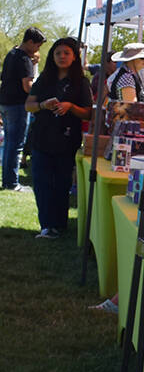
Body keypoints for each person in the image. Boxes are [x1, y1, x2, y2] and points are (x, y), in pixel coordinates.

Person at [24, 37, 93, 238]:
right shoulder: (43, 79)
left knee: (62, 184)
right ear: (52, 56)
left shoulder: (81, 82)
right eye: (57, 53)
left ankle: (59, 224)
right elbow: (28, 105)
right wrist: (43, 105)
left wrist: (70, 107)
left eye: (66, 53)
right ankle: (47, 225)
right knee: (42, 182)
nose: (61, 57)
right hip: (42, 137)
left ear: (74, 57)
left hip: (67, 139)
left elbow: (89, 113)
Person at [1, 27, 45, 190]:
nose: (38, 49)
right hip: (18, 105)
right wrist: (41, 89)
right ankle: (11, 183)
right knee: (16, 145)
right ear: (30, 42)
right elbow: (28, 87)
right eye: (38, 45)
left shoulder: (12, 54)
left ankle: (7, 180)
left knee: (9, 144)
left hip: (5, 103)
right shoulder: (24, 58)